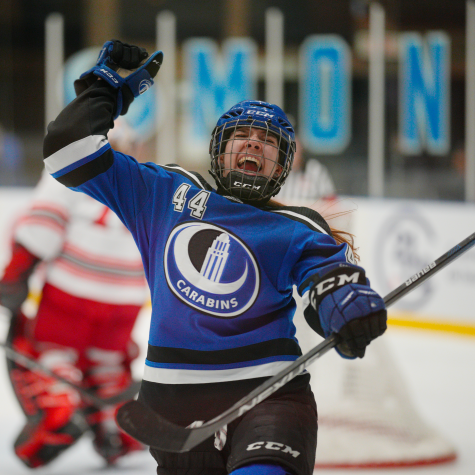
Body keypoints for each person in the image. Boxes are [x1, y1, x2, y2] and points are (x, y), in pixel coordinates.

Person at [42, 40, 387, 475]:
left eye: (268, 143)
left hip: (270, 396)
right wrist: (104, 89)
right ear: (220, 149)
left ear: (281, 167)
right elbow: (64, 151)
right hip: (172, 408)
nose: (254, 145)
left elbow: (330, 278)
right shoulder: (163, 193)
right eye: (242, 135)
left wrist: (347, 305)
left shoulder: (297, 226)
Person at [0, 119, 148, 468]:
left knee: (52, 349)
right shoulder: (144, 184)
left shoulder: (70, 170)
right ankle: (116, 423)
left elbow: (44, 222)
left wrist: (15, 275)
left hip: (72, 290)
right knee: (106, 360)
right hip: (126, 298)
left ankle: (59, 410)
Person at [278, 135, 336, 204]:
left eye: (294, 151)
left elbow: (331, 201)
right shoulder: (274, 170)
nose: (291, 156)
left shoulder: (315, 170)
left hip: (310, 213)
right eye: (287, 152)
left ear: (301, 151)